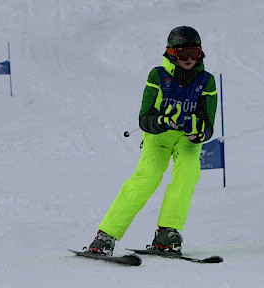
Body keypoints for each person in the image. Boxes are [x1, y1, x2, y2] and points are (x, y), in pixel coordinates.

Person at [86, 26, 218, 256]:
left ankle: (167, 233)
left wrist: (199, 132)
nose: (189, 59)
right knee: (147, 177)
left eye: (194, 53)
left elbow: (209, 125)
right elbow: (144, 119)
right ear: (171, 53)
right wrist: (164, 120)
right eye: (183, 54)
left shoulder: (207, 81)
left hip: (187, 140)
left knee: (187, 173)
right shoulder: (157, 76)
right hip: (158, 136)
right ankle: (106, 235)